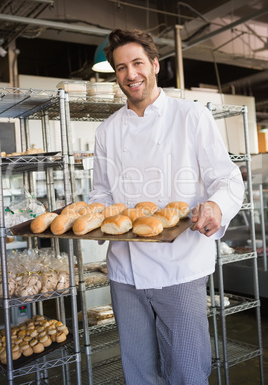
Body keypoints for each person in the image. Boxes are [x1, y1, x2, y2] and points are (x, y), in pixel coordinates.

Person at [88, 29, 244, 385]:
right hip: (125, 272)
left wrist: (216, 208)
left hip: (181, 267)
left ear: (155, 64)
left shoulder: (190, 116)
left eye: (138, 63)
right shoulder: (107, 131)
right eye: (122, 67)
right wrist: (93, 216)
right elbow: (101, 194)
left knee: (187, 372)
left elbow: (228, 179)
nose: (131, 74)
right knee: (139, 372)